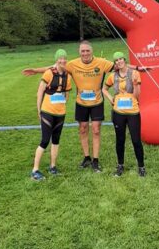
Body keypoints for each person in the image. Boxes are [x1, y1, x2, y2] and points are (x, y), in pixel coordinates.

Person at [23, 41, 145, 172]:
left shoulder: (101, 62)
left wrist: (137, 68)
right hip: (81, 103)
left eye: (87, 50)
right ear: (79, 52)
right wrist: (35, 70)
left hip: (97, 102)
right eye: (83, 51)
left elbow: (121, 65)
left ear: (91, 51)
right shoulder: (72, 64)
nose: (85, 53)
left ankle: (95, 160)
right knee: (83, 129)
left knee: (96, 130)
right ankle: (86, 157)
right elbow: (54, 67)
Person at [31, 49, 72, 181]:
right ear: (56, 60)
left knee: (56, 140)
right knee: (44, 140)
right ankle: (35, 170)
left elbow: (67, 93)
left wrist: (63, 102)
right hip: (47, 111)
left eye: (64, 58)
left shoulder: (67, 75)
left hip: (60, 113)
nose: (63, 60)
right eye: (60, 58)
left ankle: (52, 167)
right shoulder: (49, 73)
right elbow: (39, 93)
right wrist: (39, 110)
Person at [103, 52, 146, 177]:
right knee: (120, 140)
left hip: (133, 112)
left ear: (124, 60)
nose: (118, 61)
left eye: (120, 59)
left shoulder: (134, 74)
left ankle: (141, 167)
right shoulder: (112, 76)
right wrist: (111, 99)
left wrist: (135, 84)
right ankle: (120, 166)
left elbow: (137, 96)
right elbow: (104, 89)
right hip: (118, 113)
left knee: (136, 140)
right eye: (116, 60)